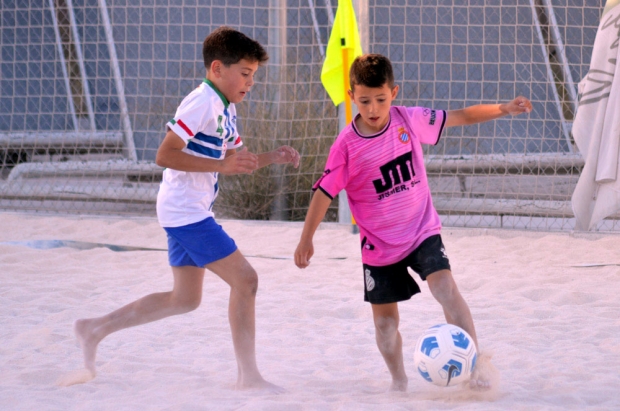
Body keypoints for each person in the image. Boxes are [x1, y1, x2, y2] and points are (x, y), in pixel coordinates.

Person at [74, 26, 299, 392]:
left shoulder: (225, 108)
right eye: (244, 73)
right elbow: (165, 154)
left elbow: (233, 161)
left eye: (254, 75)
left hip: (188, 211)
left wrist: (272, 157)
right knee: (247, 280)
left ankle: (94, 328)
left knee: (185, 299)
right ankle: (249, 376)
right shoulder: (200, 102)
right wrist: (221, 166)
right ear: (216, 69)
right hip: (186, 213)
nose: (250, 82)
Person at [294, 53, 532, 392]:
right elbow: (323, 193)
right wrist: (307, 239)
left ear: (394, 93)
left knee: (445, 288)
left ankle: (475, 365)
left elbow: (459, 116)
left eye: (380, 99)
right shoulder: (345, 147)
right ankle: (398, 380)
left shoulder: (410, 120)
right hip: (379, 247)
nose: (373, 108)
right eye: (364, 101)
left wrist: (503, 109)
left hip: (422, 231)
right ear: (351, 97)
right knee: (387, 327)